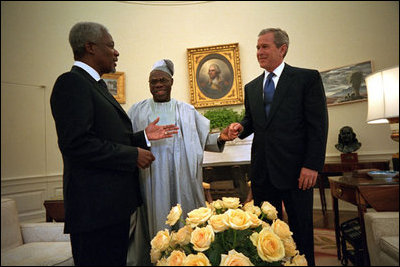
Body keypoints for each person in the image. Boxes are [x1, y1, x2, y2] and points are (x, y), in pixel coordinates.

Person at [50, 22, 178, 266]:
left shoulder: (96, 86)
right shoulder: (71, 83)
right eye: (110, 46)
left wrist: (144, 137)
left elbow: (108, 138)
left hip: (111, 208)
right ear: (90, 47)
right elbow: (77, 143)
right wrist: (132, 155)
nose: (116, 52)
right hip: (94, 212)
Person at [229, 28, 328, 266]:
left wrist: (312, 165)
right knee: (267, 235)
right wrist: (240, 127)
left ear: (282, 49)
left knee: (300, 232)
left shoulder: (307, 78)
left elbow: (318, 125)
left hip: (298, 173)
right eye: (257, 47)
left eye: (265, 47)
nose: (259, 52)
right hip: (263, 173)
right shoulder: (252, 87)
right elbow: (253, 122)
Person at [126, 59, 237, 265]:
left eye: (162, 80)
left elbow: (204, 139)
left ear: (171, 82)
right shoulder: (136, 111)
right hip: (149, 179)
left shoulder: (186, 111)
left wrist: (221, 137)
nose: (157, 84)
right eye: (153, 81)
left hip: (182, 178)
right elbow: (125, 140)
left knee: (185, 224)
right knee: (155, 226)